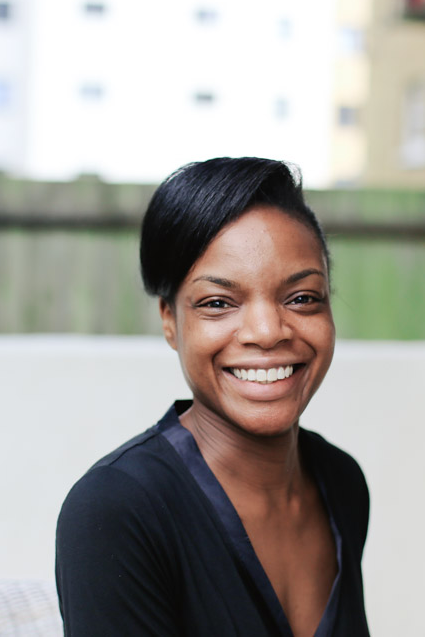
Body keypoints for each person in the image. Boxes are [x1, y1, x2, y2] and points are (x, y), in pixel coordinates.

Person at [55, 157, 370, 636]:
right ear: (169, 321)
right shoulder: (117, 512)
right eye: (218, 303)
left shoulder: (341, 483)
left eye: (302, 297)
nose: (267, 332)